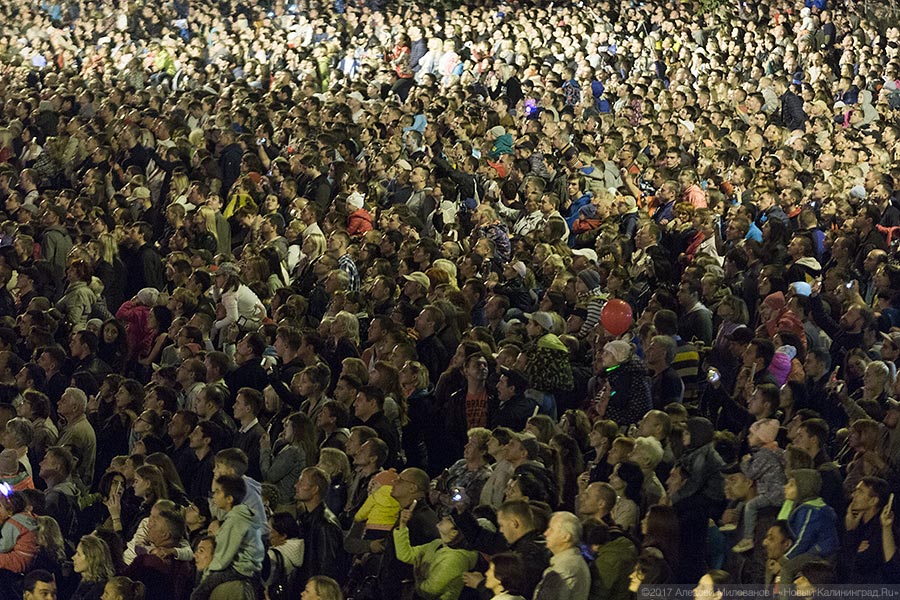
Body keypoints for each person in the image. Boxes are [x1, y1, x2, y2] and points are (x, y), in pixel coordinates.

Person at [190, 474, 264, 600]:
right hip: (248, 569)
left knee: (197, 594)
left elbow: (224, 556)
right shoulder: (240, 515)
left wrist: (208, 573)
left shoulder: (235, 520)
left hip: (240, 570)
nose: (214, 495)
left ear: (229, 498)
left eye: (218, 492)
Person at [533, 511, 591, 600]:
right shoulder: (571, 563)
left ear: (566, 537)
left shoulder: (563, 570)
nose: (545, 533)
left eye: (551, 530)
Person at [71, 534, 115, 600]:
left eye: (78, 554)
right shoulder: (82, 582)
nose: (73, 557)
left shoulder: (100, 590)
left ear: (91, 559)